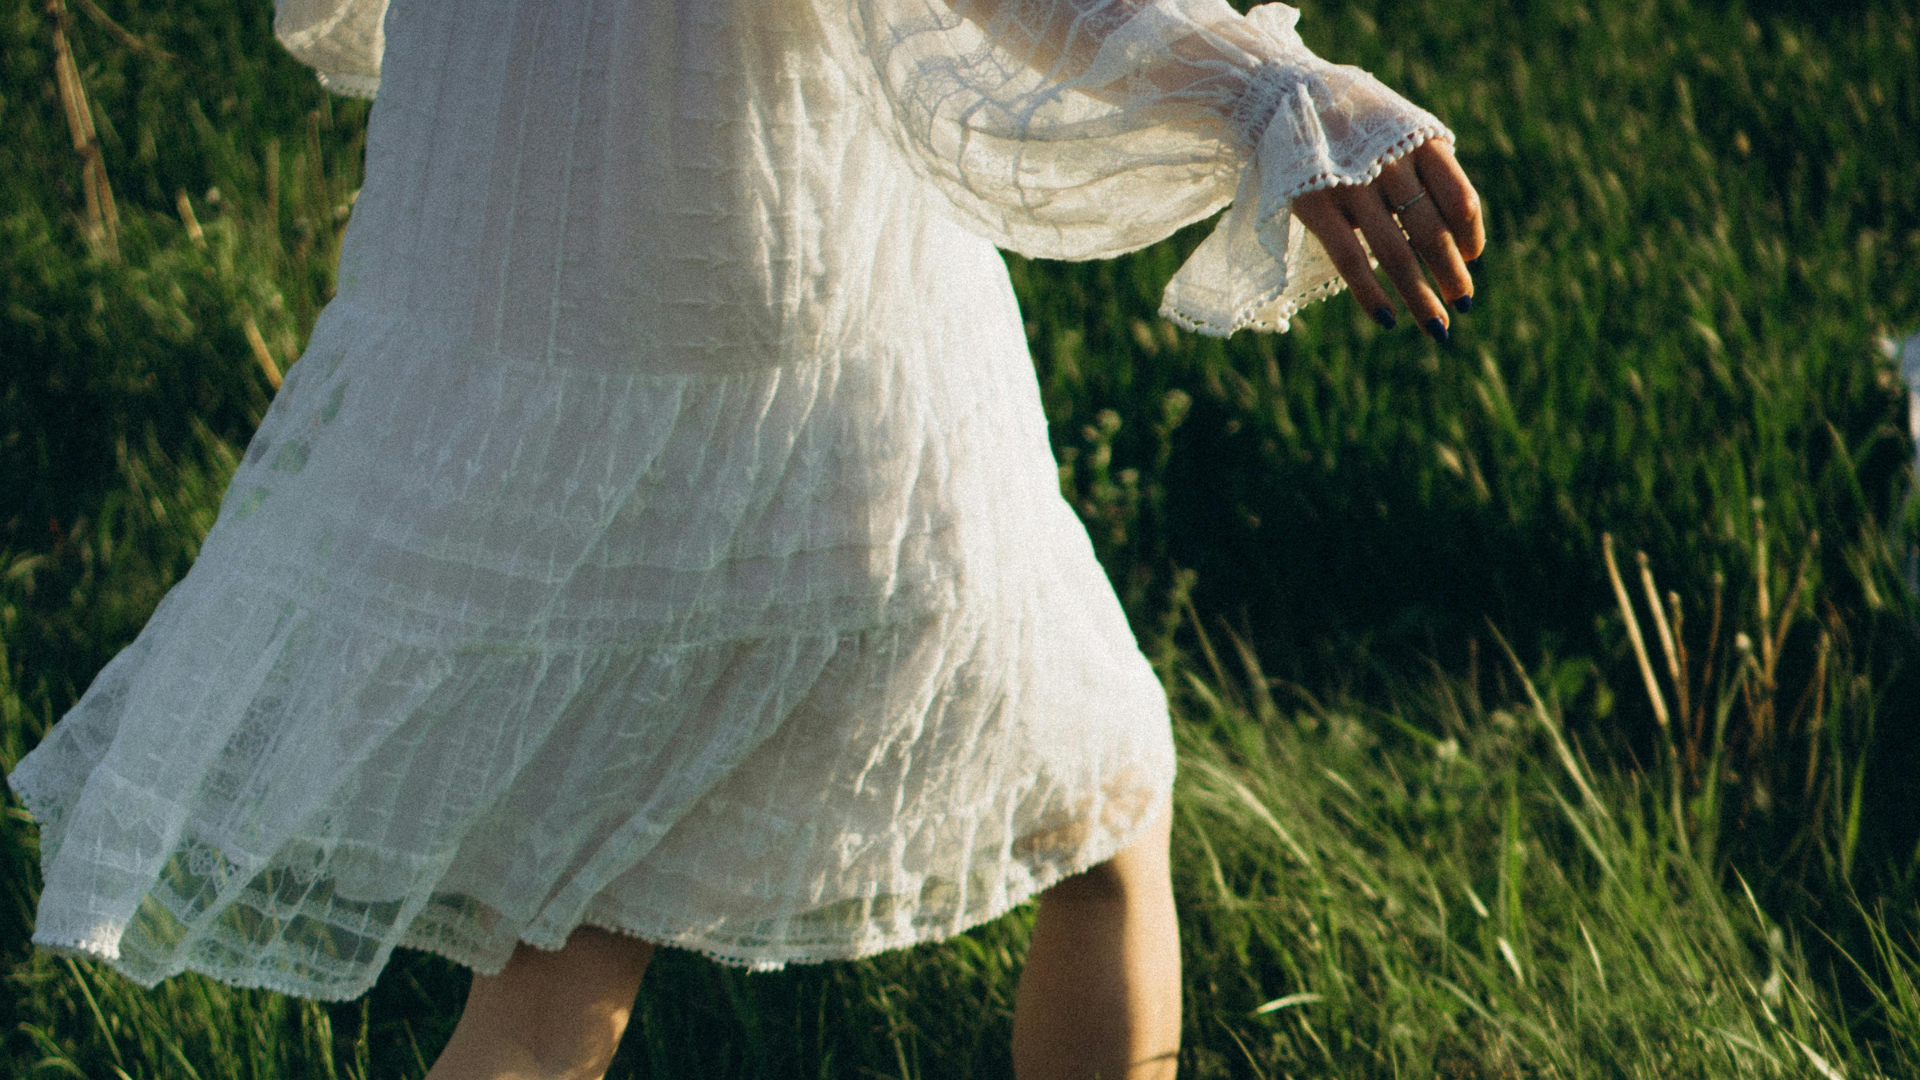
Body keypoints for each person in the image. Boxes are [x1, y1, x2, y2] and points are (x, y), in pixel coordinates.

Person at [6, 0, 1483, 1076]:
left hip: (507, 297)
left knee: (560, 964)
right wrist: (1268, 91)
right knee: (1101, 805)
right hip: (791, 333)